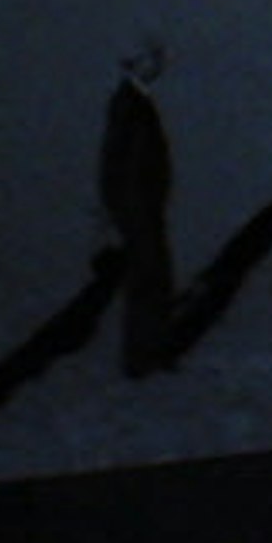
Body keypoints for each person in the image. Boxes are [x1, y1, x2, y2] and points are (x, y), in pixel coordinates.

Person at [99, 38, 177, 368]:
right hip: (138, 205)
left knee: (149, 277)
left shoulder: (133, 101)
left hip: (140, 203)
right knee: (148, 277)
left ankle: (148, 348)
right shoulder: (131, 105)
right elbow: (120, 160)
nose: (158, 66)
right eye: (151, 60)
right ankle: (145, 351)